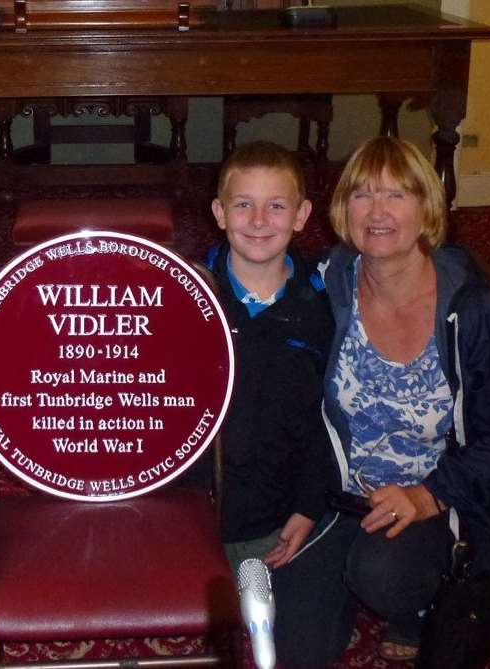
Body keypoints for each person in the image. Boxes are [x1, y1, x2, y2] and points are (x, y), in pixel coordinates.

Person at [270, 136, 490, 667]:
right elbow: (257, 289)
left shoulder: (479, 314)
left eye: (397, 195)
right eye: (362, 195)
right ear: (341, 208)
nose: (377, 212)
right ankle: (349, 574)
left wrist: (427, 496)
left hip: (436, 501)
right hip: (340, 496)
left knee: (385, 577)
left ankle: (416, 602)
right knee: (293, 644)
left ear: (426, 210)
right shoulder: (330, 282)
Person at [186, 141, 333, 574]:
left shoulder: (323, 310)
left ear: (302, 215)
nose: (258, 221)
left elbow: (328, 419)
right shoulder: (185, 297)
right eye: (244, 204)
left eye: (276, 207)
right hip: (193, 505)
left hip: (275, 515)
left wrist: (309, 505)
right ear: (219, 212)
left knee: (296, 638)